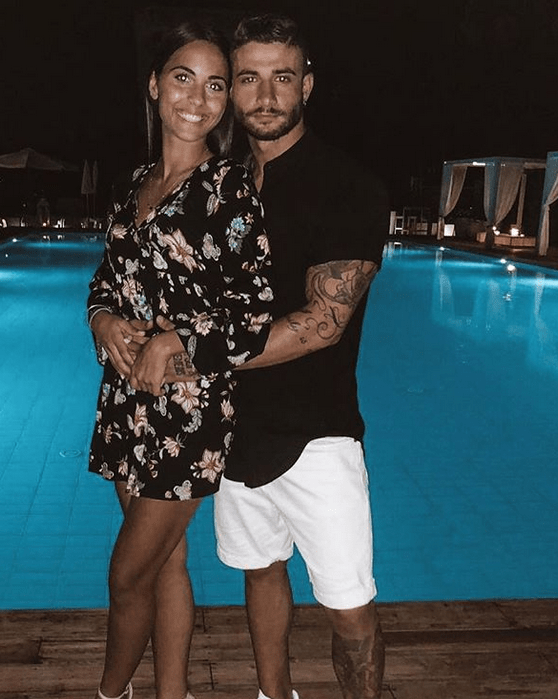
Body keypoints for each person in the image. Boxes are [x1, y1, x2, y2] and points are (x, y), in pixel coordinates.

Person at [159, 13, 390, 699]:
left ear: (306, 85)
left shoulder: (348, 186)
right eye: (248, 78)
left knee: (348, 603)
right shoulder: (219, 185)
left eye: (281, 78)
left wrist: (190, 357)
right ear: (230, 89)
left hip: (318, 434)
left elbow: (322, 323)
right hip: (233, 430)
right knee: (259, 571)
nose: (264, 96)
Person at [86, 22, 274, 699]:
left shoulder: (228, 190)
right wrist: (101, 318)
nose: (197, 98)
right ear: (154, 85)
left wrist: (177, 341)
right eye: (183, 78)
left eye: (215, 85)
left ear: (224, 103)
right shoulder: (134, 184)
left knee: (127, 574)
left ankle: (109, 692)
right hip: (125, 401)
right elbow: (106, 280)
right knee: (164, 564)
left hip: (187, 415)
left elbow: (254, 315)